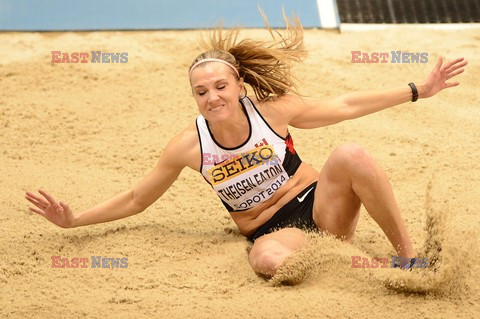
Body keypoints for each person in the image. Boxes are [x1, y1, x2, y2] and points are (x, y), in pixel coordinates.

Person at [25, 15, 467, 278]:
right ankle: (337, 265)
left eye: (220, 86)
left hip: (320, 206)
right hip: (273, 231)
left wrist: (417, 89)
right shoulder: (188, 147)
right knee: (267, 263)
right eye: (201, 92)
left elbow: (346, 104)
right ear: (194, 97)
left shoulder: (272, 112)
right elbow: (138, 198)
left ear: (239, 84)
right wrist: (75, 220)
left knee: (351, 152)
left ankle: (410, 260)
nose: (212, 97)